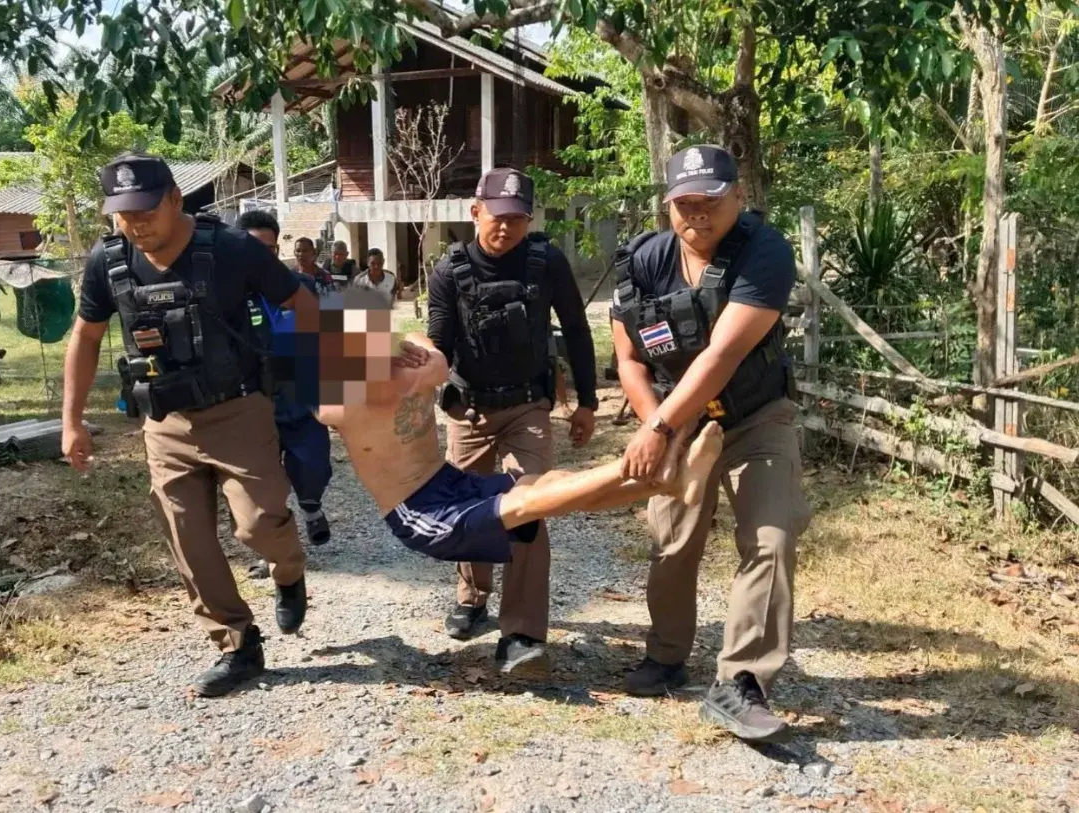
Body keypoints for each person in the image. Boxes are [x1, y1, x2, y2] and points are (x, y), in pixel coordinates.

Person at [61, 153, 316, 698]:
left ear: (175, 199)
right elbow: (85, 336)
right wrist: (72, 421)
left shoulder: (232, 248)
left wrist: (320, 377)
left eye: (146, 210)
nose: (136, 223)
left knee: (259, 526)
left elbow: (301, 301)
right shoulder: (108, 261)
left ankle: (288, 571)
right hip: (165, 421)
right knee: (188, 540)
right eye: (124, 213)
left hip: (239, 410)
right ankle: (237, 644)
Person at [610, 145, 812, 743]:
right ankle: (667, 653)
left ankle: (741, 682)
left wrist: (659, 428)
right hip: (678, 419)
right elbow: (629, 360)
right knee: (673, 541)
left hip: (756, 416)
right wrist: (661, 427)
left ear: (739, 197)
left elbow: (722, 355)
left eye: (711, 201)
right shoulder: (644, 261)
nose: (697, 213)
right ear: (668, 204)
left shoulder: (764, 251)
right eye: (685, 202)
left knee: (771, 538)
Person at [312, 289, 723, 568]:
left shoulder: (411, 358)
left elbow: (424, 343)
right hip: (419, 512)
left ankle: (667, 483)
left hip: (448, 480)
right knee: (527, 501)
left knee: (550, 486)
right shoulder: (346, 397)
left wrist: (426, 362)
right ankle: (641, 467)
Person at [426, 166, 599, 674]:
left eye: (518, 218)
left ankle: (522, 632)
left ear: (529, 219)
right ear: (475, 211)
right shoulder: (449, 270)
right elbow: (439, 342)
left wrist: (587, 402)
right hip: (470, 408)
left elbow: (576, 330)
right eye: (497, 216)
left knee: (527, 508)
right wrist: (423, 384)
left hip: (528, 405)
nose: (506, 227)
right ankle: (472, 596)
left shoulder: (547, 262)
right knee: (469, 508)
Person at [237, 210, 334, 553]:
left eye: (270, 249)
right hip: (251, 402)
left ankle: (310, 506)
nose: (263, 257)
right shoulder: (226, 294)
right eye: (253, 249)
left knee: (313, 467)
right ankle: (273, 552)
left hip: (298, 395)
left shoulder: (301, 287)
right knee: (260, 483)